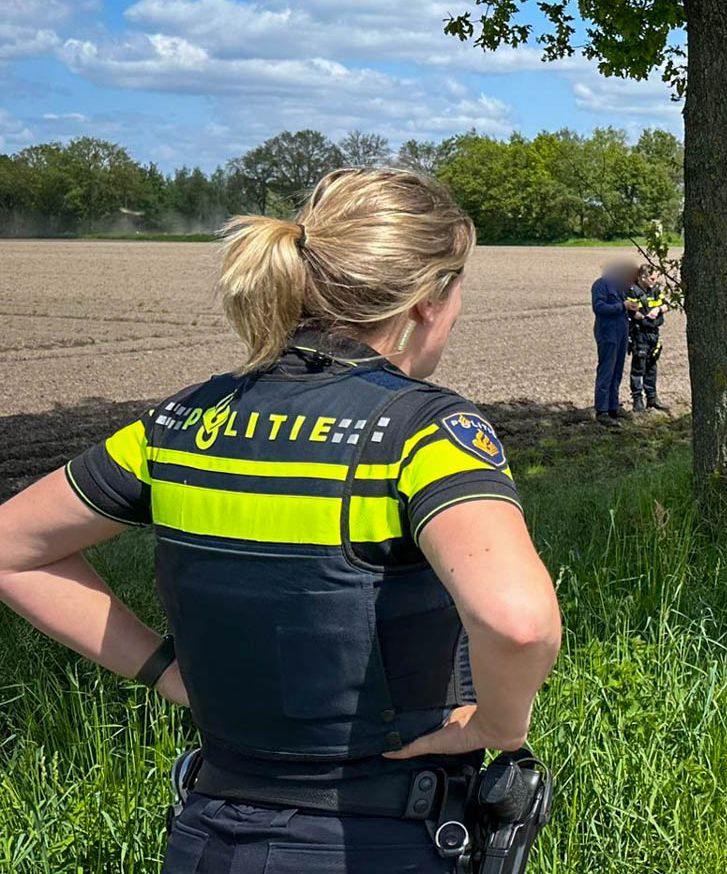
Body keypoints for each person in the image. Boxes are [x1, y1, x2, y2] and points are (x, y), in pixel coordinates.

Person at [0, 167, 564, 873]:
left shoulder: (182, 421)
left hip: (207, 834)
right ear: (427, 299)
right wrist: (498, 725)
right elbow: (519, 623)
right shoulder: (422, 431)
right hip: (379, 840)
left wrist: (167, 672)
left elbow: (12, 548)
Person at [591, 257, 640, 424]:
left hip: (621, 332)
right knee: (607, 370)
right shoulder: (600, 285)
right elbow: (599, 307)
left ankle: (613, 406)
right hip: (608, 333)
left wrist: (632, 308)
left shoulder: (621, 287)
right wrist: (622, 306)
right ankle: (602, 410)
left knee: (617, 371)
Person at [626, 266, 670, 413]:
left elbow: (667, 305)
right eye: (652, 278)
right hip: (640, 334)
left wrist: (658, 309)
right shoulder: (633, 291)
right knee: (638, 367)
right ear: (642, 277)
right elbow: (630, 311)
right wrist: (641, 316)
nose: (655, 281)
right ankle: (637, 401)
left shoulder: (655, 290)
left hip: (654, 333)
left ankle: (652, 398)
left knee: (652, 366)